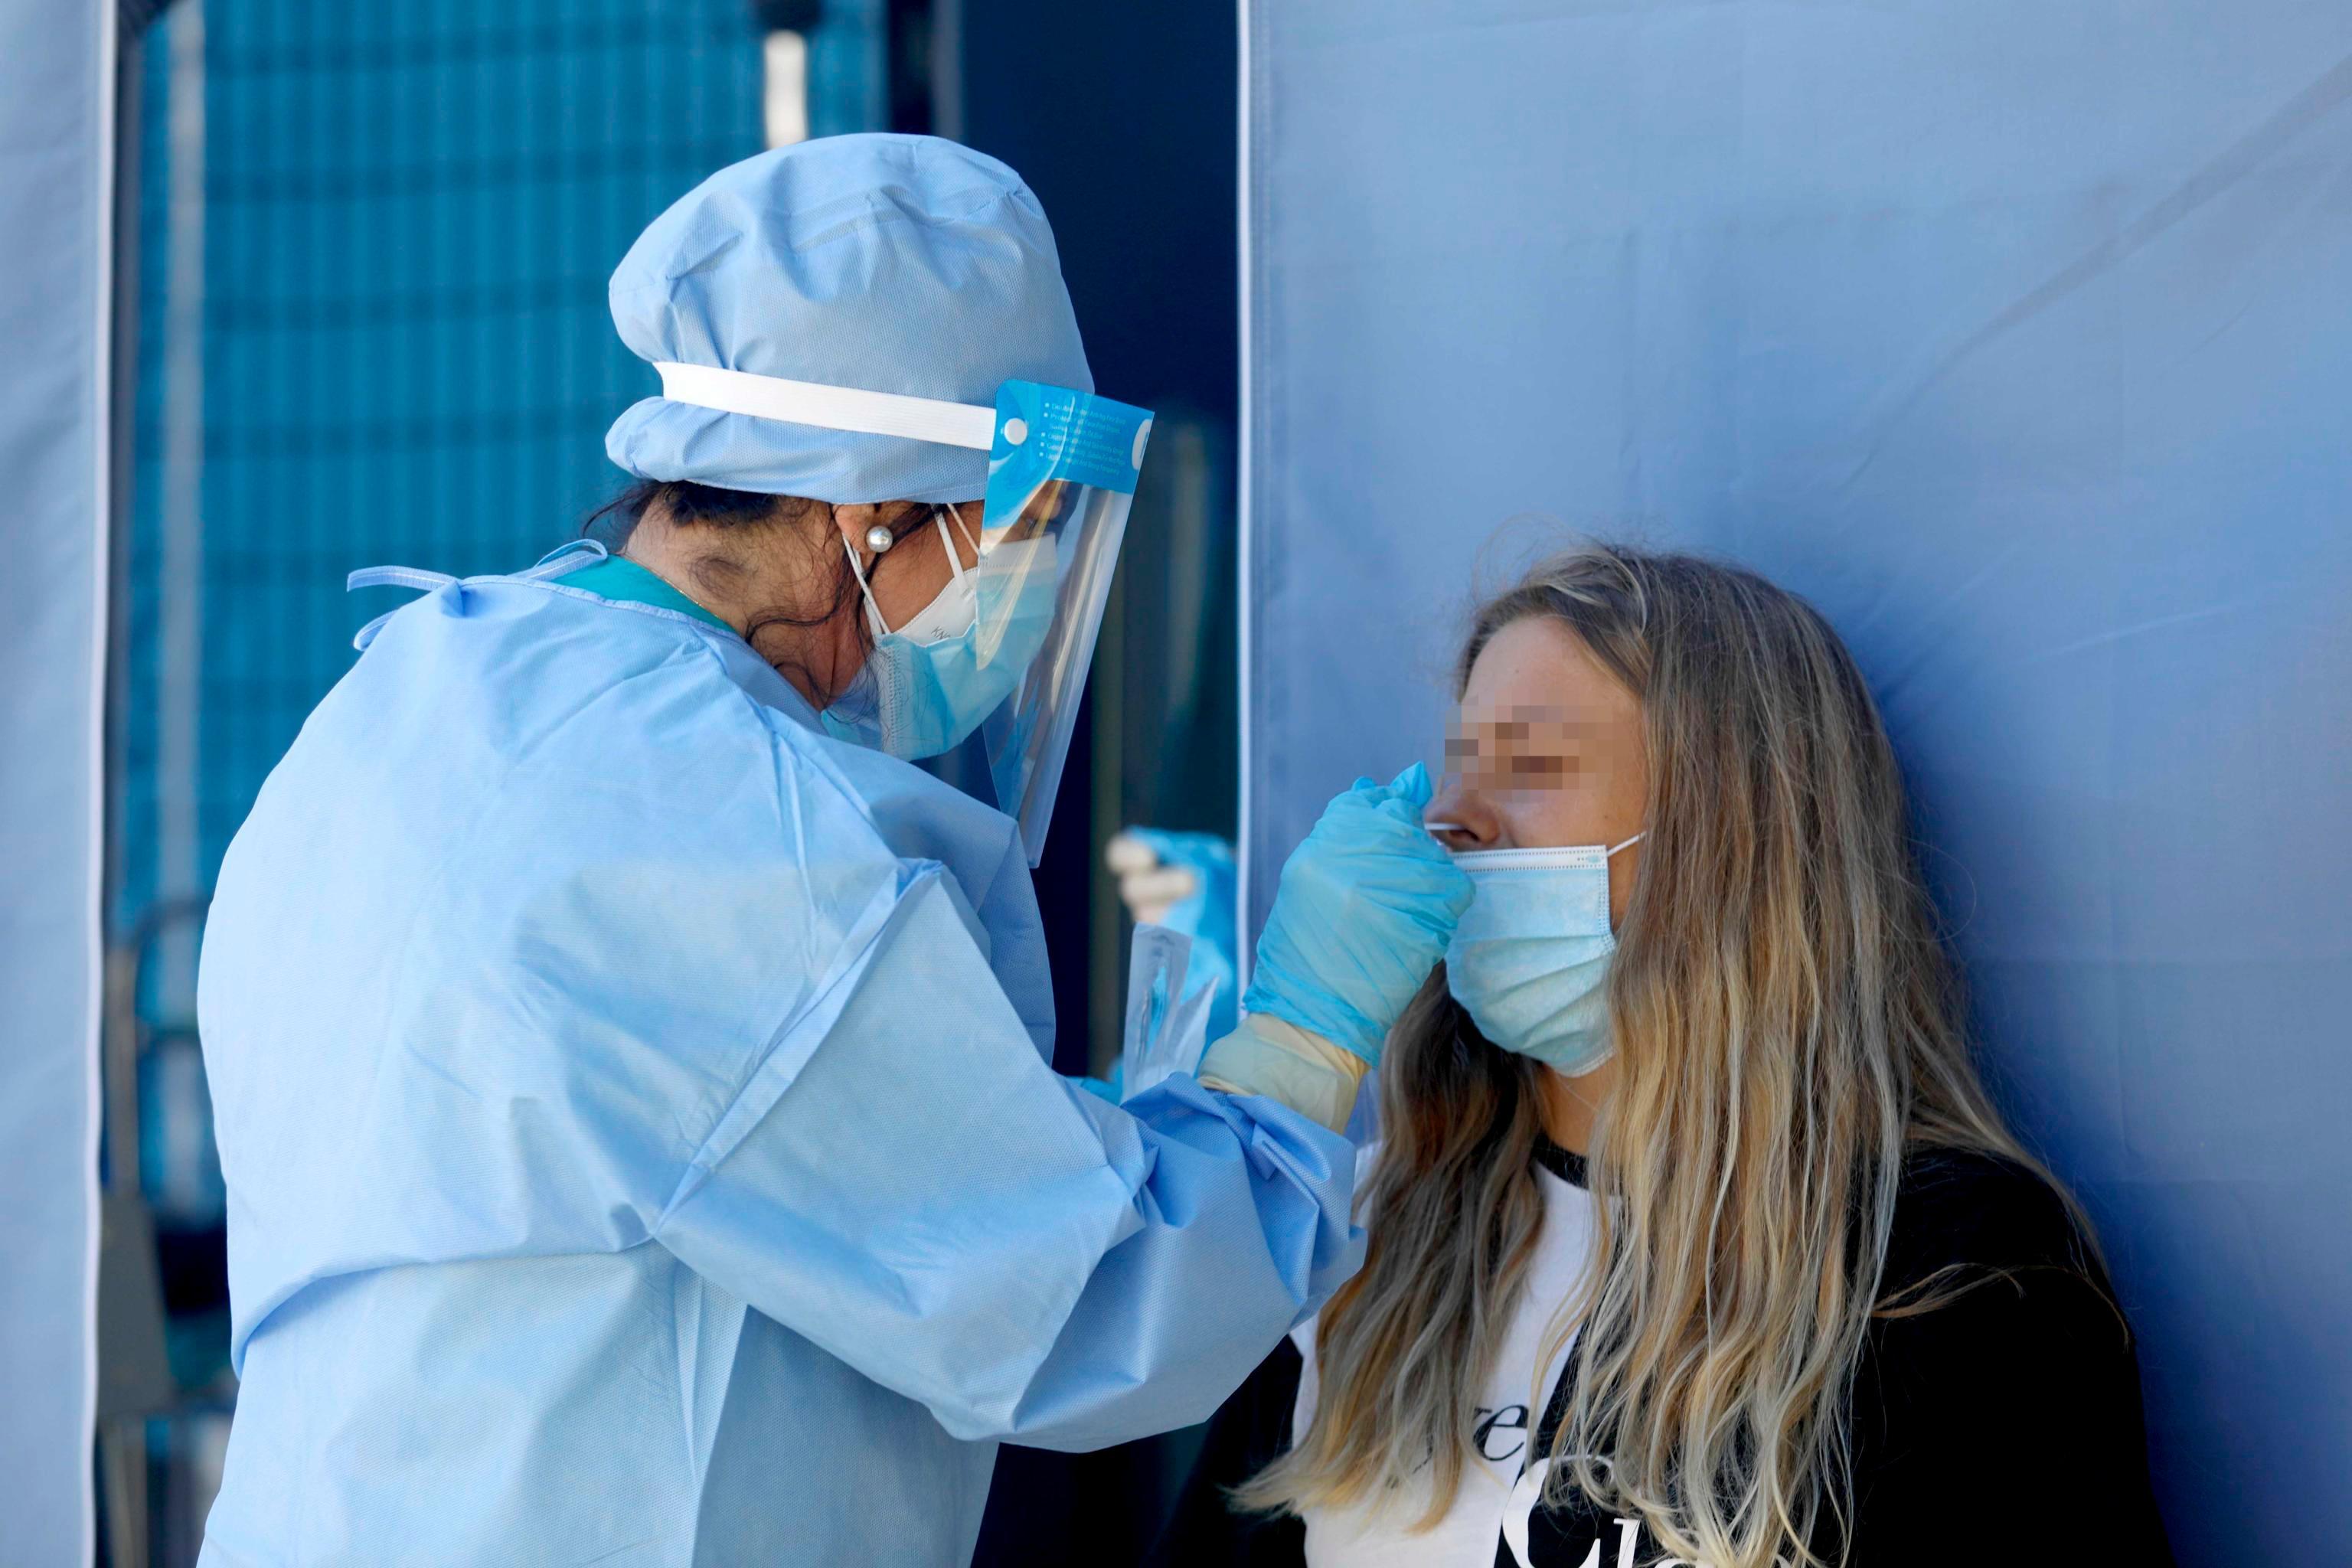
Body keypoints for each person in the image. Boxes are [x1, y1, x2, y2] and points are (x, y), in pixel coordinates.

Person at [192, 136, 1470, 1566]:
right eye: (1017, 538)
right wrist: (1303, 1041)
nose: (1025, 599)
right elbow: (1089, 1305)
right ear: (872, 516)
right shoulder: (731, 825)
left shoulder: (420, 693)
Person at [1152, 545, 2175, 1568]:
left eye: (1535, 762)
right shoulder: (1353, 1235)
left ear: (1728, 831)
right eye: (1459, 759)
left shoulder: (1942, 1265)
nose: (1448, 818)